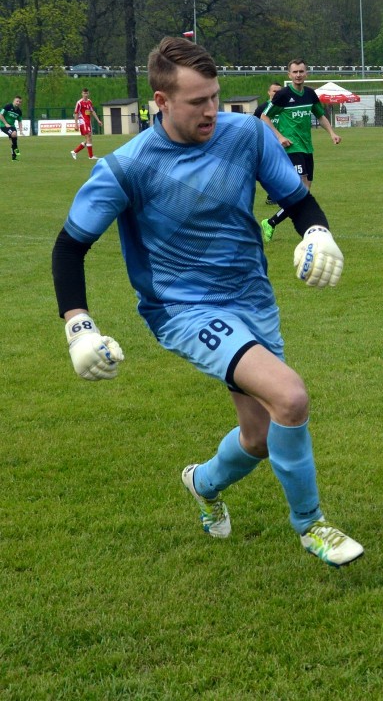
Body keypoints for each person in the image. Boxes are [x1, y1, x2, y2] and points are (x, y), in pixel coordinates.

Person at [51, 36, 364, 568]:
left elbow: (299, 199)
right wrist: (78, 326)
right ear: (160, 101)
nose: (211, 111)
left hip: (252, 298)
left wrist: (316, 234)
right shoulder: (126, 167)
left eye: (215, 97)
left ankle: (201, 482)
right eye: (197, 102)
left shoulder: (245, 136)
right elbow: (69, 247)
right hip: (183, 309)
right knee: (289, 396)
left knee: (260, 435)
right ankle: (312, 526)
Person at [259, 60, 341, 243]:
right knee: (300, 192)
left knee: (303, 194)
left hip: (307, 148)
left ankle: (271, 222)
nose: (298, 75)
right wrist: (280, 137)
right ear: (289, 75)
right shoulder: (283, 95)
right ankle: (308, 230)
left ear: (306, 73)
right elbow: (264, 116)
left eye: (301, 71)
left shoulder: (310, 94)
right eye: (294, 72)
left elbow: (320, 115)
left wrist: (332, 133)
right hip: (292, 149)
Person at [255, 82, 283, 204]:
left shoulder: (284, 107)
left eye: (279, 91)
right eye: (274, 91)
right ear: (269, 92)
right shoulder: (261, 108)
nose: (276, 93)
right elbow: (254, 125)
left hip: (284, 143)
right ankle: (272, 195)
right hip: (268, 144)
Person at [71, 88, 103, 160]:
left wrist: (98, 120)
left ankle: (75, 151)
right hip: (83, 121)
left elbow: (92, 111)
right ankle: (91, 156)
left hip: (88, 121)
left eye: (87, 93)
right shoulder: (79, 102)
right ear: (82, 94)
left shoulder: (89, 102)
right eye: (84, 93)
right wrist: (76, 124)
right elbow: (76, 113)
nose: (85, 95)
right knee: (88, 136)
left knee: (89, 138)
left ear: (88, 94)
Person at [0, 95, 23, 161]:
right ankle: (16, 149)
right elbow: (0, 115)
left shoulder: (19, 111)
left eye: (20, 102)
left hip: (12, 126)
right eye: (17, 101)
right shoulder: (8, 106)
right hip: (3, 126)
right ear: (14, 101)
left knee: (13, 140)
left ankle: (14, 157)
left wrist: (21, 131)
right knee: (14, 134)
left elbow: (20, 121)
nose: (18, 103)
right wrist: (6, 124)